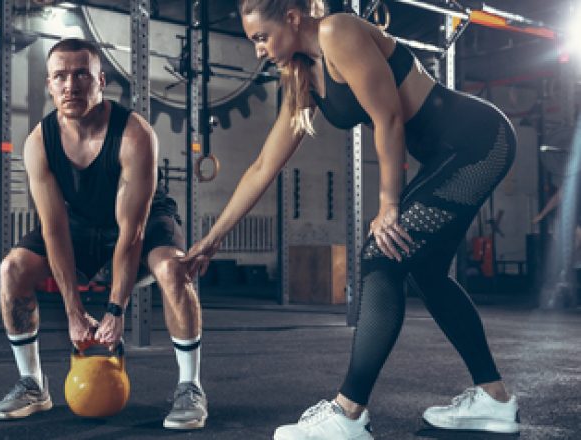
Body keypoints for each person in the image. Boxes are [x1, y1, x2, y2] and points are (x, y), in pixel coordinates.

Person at [180, 1, 518, 438]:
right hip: (449, 155)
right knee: (426, 271)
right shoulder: (304, 77)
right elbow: (264, 164)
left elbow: (389, 116)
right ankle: (494, 399)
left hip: (477, 142)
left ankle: (349, 413)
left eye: (261, 37)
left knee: (382, 252)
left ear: (293, 17)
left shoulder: (337, 32)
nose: (258, 50)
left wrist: (388, 204)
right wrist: (213, 238)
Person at [0, 38, 207, 430]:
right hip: (79, 223)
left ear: (100, 80)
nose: (71, 85)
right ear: (49, 86)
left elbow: (133, 232)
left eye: (81, 75)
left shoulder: (134, 135)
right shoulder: (39, 143)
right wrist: (74, 313)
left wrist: (115, 309)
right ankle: (33, 384)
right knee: (11, 269)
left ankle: (190, 387)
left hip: (143, 220)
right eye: (60, 76)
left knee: (175, 269)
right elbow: (53, 229)